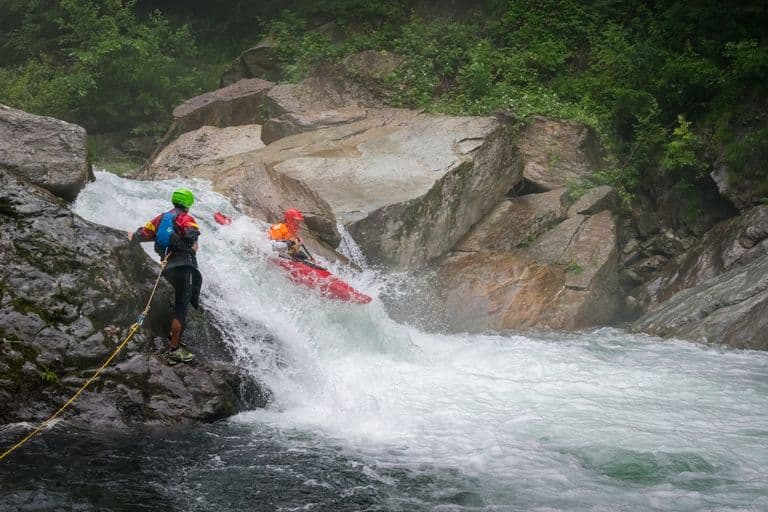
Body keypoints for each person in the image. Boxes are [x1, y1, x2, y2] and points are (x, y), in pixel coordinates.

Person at [128, 188, 202, 365]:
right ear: (188, 205)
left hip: (167, 267)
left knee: (175, 302)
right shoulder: (186, 218)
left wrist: (131, 237)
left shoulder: (161, 218)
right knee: (181, 308)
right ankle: (175, 350)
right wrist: (189, 244)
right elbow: (192, 235)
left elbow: (143, 234)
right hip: (185, 266)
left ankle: (173, 338)